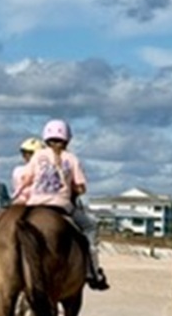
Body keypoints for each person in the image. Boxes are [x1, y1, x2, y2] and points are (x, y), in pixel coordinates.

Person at [15, 119, 109, 291]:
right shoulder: (71, 159)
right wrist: (73, 188)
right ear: (67, 139)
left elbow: (26, 178)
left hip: (34, 203)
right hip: (61, 205)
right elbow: (81, 187)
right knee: (90, 226)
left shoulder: (37, 156)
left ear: (46, 138)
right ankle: (93, 270)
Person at [11, 137, 45, 204]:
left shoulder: (17, 170)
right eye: (25, 153)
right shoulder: (44, 170)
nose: (26, 156)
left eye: (30, 153)